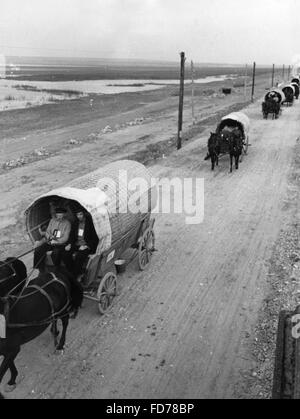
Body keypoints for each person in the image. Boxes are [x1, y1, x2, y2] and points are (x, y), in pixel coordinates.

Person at [63, 208, 99, 278]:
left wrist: (86, 246)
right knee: (65, 253)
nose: (79, 216)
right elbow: (72, 236)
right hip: (77, 245)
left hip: (86, 245)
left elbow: (95, 238)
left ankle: (74, 276)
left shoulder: (90, 223)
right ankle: (72, 271)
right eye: (77, 215)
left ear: (84, 214)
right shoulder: (75, 223)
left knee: (79, 256)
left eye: (80, 214)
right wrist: (69, 244)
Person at [33, 207, 71, 272]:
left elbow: (65, 238)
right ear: (56, 215)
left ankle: (55, 270)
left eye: (61, 215)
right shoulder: (52, 220)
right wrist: (50, 238)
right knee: (38, 250)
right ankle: (40, 268)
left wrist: (57, 242)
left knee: (56, 253)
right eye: (58, 215)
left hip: (60, 244)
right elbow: (47, 232)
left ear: (64, 215)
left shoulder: (67, 223)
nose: (59, 217)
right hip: (50, 241)